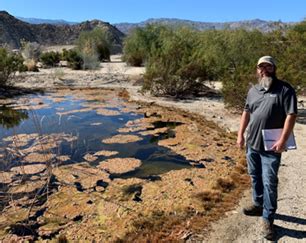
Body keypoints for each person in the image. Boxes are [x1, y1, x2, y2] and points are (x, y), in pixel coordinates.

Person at [237, 56, 297, 240]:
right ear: (257, 70)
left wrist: (283, 140)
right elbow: (246, 112)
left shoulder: (285, 89)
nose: (264, 69)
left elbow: (291, 115)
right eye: (261, 67)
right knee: (254, 176)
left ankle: (268, 218)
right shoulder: (253, 90)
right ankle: (257, 203)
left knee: (270, 181)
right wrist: (240, 135)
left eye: (268, 66)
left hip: (272, 146)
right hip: (252, 144)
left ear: (274, 68)